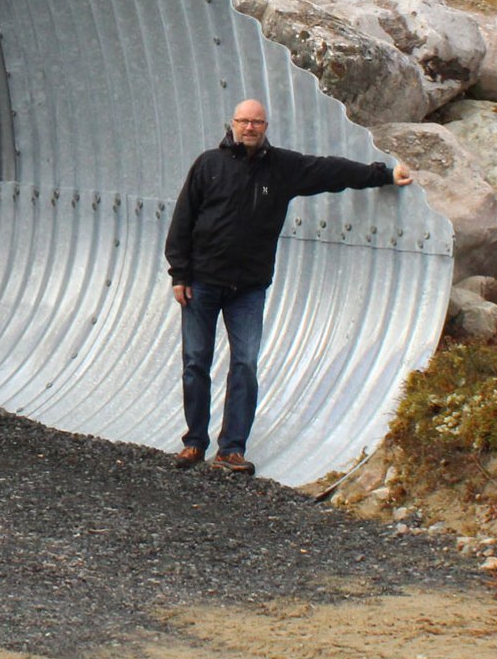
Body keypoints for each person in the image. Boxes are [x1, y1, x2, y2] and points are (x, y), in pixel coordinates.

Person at [165, 99, 412, 474]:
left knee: (245, 364)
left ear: (265, 126)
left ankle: (231, 449)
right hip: (202, 282)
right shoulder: (208, 165)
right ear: (231, 124)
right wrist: (179, 275)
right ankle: (194, 442)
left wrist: (383, 175)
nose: (250, 128)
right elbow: (183, 219)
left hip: (248, 287)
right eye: (244, 121)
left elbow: (330, 170)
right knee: (196, 362)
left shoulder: (281, 168)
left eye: (257, 122)